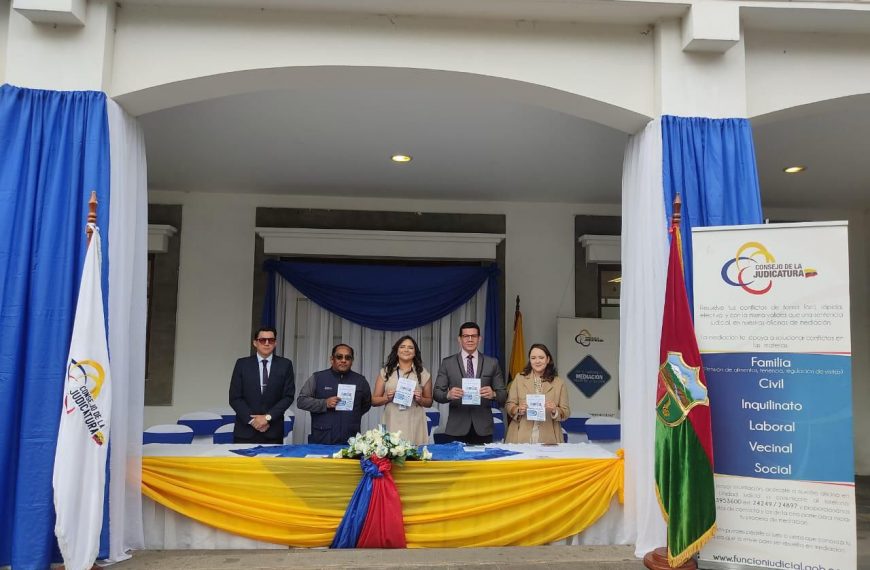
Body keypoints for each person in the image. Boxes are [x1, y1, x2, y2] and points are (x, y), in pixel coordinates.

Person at [433, 322, 506, 444]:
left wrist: (493, 394)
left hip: (483, 428)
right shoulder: (447, 363)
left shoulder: (492, 363)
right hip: (456, 427)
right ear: (459, 339)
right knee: (456, 463)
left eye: (474, 336)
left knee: (482, 463)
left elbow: (503, 394)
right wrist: (448, 395)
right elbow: (436, 393)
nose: (470, 339)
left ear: (480, 339)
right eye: (466, 336)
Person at [228, 326, 296, 444]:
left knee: (271, 463)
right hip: (245, 431)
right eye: (262, 340)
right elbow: (235, 397)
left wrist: (267, 418)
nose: (267, 343)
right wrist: (253, 421)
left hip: (272, 430)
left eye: (271, 340)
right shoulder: (242, 364)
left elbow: (288, 396)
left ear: (275, 343)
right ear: (255, 343)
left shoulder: (285, 365)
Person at [297, 343, 372, 444]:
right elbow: (301, 401)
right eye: (339, 357)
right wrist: (324, 403)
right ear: (332, 359)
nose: (343, 360)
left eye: (348, 357)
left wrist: (351, 416)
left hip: (351, 440)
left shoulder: (360, 381)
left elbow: (366, 404)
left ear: (352, 361)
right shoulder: (318, 378)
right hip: (322, 438)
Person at [372, 336, 433, 445]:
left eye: (410, 348)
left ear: (415, 352)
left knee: (415, 456)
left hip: (415, 421)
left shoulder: (423, 373)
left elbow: (429, 402)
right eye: (402, 347)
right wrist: (387, 398)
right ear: (396, 351)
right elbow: (374, 401)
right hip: (392, 419)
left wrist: (420, 399)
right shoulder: (385, 372)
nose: (406, 350)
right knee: (392, 455)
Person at [504, 343, 569, 444]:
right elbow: (509, 405)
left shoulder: (559, 383)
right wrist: (518, 409)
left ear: (548, 359)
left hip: (549, 436)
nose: (537, 361)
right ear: (529, 360)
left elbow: (566, 412)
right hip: (520, 435)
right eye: (533, 358)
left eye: (541, 357)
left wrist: (554, 410)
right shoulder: (519, 379)